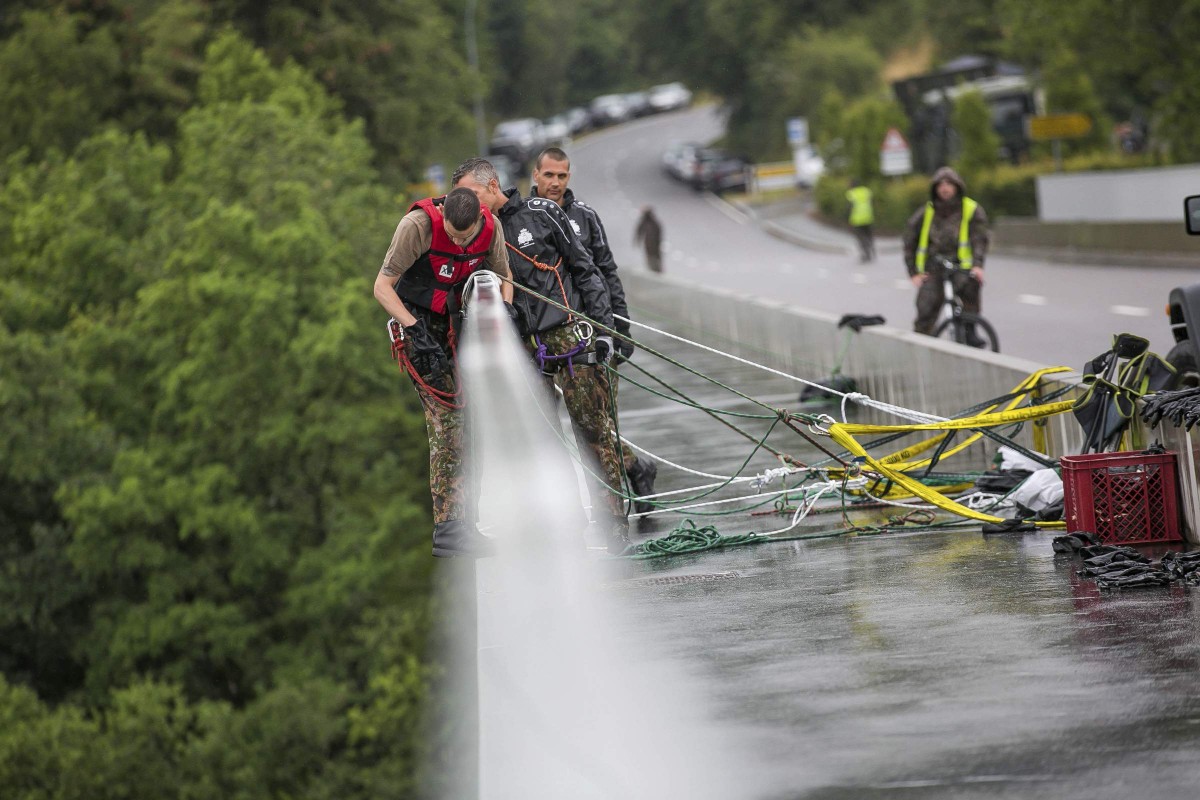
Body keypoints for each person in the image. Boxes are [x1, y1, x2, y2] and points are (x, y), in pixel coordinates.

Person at [452, 156, 631, 553]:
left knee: (593, 434)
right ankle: (567, 526)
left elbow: (588, 271)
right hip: (527, 349)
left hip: (571, 339)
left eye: (472, 193)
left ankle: (614, 526)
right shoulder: (476, 233)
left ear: (493, 186)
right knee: (546, 441)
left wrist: (606, 331)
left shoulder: (542, 212)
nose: (467, 201)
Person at [372, 187, 514, 558]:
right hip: (418, 325)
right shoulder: (416, 226)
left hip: (459, 324)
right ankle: (448, 528)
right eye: (451, 234)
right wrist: (415, 332)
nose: (456, 241)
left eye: (463, 238)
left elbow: (504, 276)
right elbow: (382, 287)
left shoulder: (491, 228)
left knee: (473, 421)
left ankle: (467, 522)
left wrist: (506, 313)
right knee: (447, 420)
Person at [530, 147, 659, 515]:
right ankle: (636, 467)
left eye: (562, 176)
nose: (555, 183)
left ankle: (614, 510)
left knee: (599, 424)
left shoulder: (584, 217)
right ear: (535, 175)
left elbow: (607, 273)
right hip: (547, 339)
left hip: (593, 336)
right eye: (549, 175)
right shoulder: (523, 218)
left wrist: (621, 330)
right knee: (580, 427)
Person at [902, 166, 989, 343]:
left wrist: (978, 265)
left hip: (960, 266)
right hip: (934, 267)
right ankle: (923, 342)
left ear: (957, 186)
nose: (945, 188)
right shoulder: (926, 212)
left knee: (971, 286)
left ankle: (970, 331)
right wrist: (913, 273)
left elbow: (979, 239)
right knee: (925, 307)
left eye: (949, 183)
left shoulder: (971, 210)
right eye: (940, 184)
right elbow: (909, 241)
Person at [846, 179, 875, 263]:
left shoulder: (851, 193)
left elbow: (849, 207)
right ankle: (872, 250)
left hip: (857, 219)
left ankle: (866, 254)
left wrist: (847, 218)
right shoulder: (866, 191)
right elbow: (872, 202)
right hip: (868, 216)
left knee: (861, 237)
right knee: (869, 235)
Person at [634, 205, 663, 273]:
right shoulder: (652, 223)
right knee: (652, 260)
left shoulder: (654, 224)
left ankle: (656, 271)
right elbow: (639, 231)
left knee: (654, 260)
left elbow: (639, 231)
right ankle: (654, 271)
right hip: (650, 246)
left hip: (654, 246)